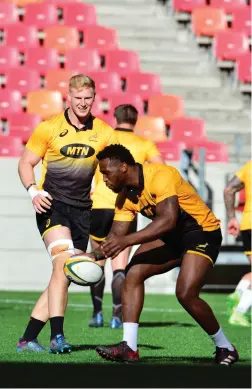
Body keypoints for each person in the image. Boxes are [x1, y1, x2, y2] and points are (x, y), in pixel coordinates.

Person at [88, 144, 239, 365]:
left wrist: (126, 241)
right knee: (132, 274)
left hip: (202, 232)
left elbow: (167, 220)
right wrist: (90, 258)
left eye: (105, 173)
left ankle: (225, 347)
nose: (104, 179)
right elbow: (115, 239)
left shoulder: (160, 173)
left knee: (186, 293)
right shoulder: (123, 198)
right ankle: (129, 348)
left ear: (122, 167)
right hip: (173, 237)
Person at [16, 74, 117, 354]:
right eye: (78, 99)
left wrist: (103, 187)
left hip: (83, 211)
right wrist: (33, 191)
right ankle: (57, 336)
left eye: (88, 98)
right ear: (68, 98)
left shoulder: (105, 133)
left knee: (66, 275)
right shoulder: (49, 128)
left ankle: (27, 339)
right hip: (52, 205)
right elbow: (26, 162)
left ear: (94, 98)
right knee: (63, 264)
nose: (83, 104)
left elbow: (112, 169)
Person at [89, 104, 164, 329]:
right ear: (136, 120)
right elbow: (161, 168)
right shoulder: (145, 144)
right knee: (119, 265)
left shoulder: (105, 139)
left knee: (98, 261)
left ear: (115, 117)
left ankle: (97, 314)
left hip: (100, 204)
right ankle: (116, 316)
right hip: (127, 207)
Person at [224, 160, 251, 327]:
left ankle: (238, 293)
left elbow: (228, 189)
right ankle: (240, 311)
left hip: (248, 224)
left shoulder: (249, 165)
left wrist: (232, 217)